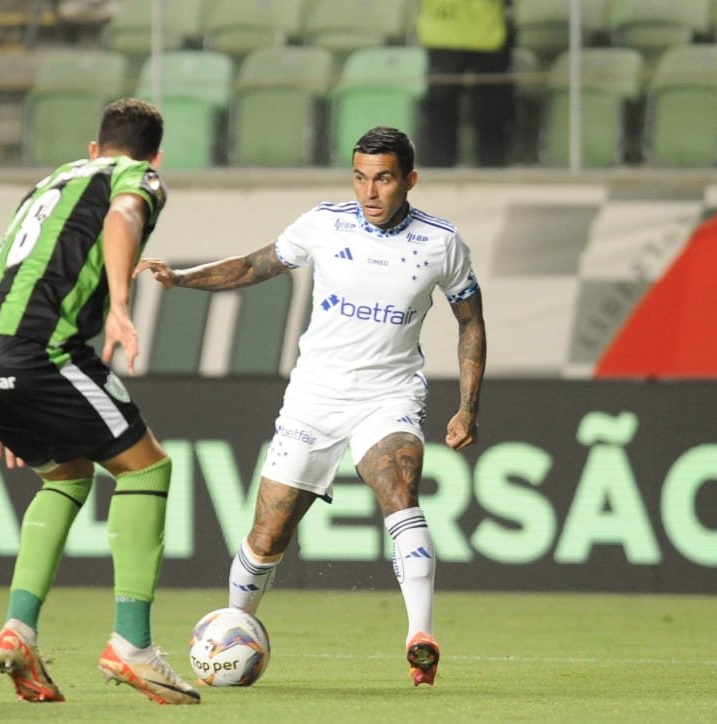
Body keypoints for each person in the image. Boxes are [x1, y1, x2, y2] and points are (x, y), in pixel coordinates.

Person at [134, 126, 487, 687]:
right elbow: (253, 266)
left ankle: (421, 635)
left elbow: (470, 321)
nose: (370, 192)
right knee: (269, 532)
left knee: (399, 486)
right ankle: (233, 635)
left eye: (384, 179)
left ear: (409, 181)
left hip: (389, 394)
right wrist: (182, 278)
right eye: (361, 177)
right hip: (313, 398)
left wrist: (467, 406)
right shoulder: (324, 223)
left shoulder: (441, 243)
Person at [0, 98, 199, 706]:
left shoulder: (47, 185)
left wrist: (12, 405)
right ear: (154, 155)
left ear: (93, 147)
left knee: (68, 476)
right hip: (37, 352)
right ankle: (131, 646)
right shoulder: (137, 176)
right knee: (149, 468)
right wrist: (118, 302)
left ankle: (19, 630)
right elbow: (123, 218)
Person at [416, 0, 516, 167]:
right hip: (477, 30)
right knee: (487, 105)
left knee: (444, 105)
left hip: (453, 29)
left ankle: (440, 165)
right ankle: (491, 165)